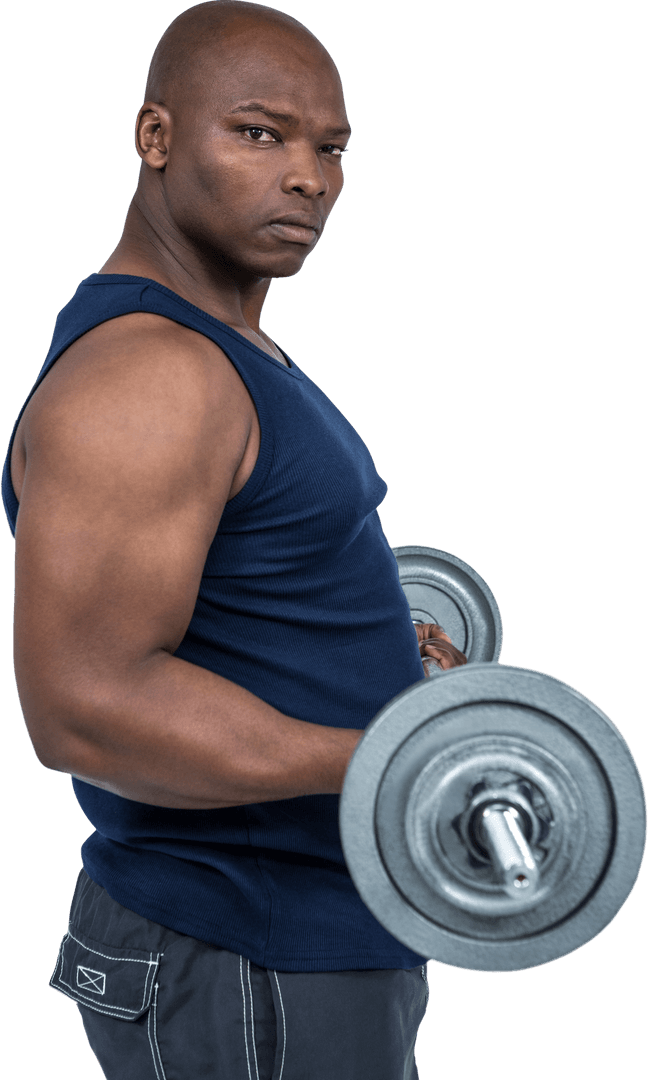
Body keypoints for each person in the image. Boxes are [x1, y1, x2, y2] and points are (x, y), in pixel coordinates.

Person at [3, 3, 466, 1076]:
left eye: (329, 148)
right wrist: (392, 761)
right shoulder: (150, 375)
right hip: (245, 950)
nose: (307, 176)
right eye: (258, 132)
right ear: (155, 138)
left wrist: (379, 659)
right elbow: (88, 704)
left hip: (304, 942)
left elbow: (237, 588)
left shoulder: (225, 349)